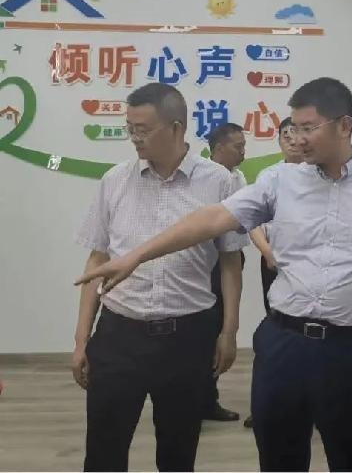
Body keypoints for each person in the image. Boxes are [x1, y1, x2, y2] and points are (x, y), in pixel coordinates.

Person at [75, 77, 352, 473]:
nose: (297, 139)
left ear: (344, 126)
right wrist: (137, 255)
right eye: (293, 128)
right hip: (286, 344)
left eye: (308, 128)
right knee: (278, 458)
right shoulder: (279, 180)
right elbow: (214, 218)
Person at [71, 83, 247, 472]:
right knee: (103, 450)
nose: (134, 137)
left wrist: (229, 331)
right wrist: (82, 339)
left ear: (176, 128)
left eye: (143, 129)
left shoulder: (218, 182)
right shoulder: (115, 180)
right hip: (120, 334)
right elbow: (97, 259)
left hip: (188, 335)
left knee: (178, 451)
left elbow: (230, 262)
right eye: (130, 128)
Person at [243, 117, 303, 430]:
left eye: (297, 134)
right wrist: (267, 252)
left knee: (305, 334)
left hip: (308, 268)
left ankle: (306, 403)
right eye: (285, 135)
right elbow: (252, 221)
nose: (292, 140)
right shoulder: (270, 175)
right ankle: (268, 404)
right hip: (273, 262)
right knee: (276, 331)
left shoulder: (319, 174)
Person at [205, 123, 248, 422]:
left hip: (231, 257)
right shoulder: (204, 179)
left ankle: (208, 398)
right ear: (219, 148)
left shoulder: (239, 177)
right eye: (238, 146)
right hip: (207, 264)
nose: (244, 151)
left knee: (220, 328)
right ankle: (198, 399)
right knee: (204, 331)